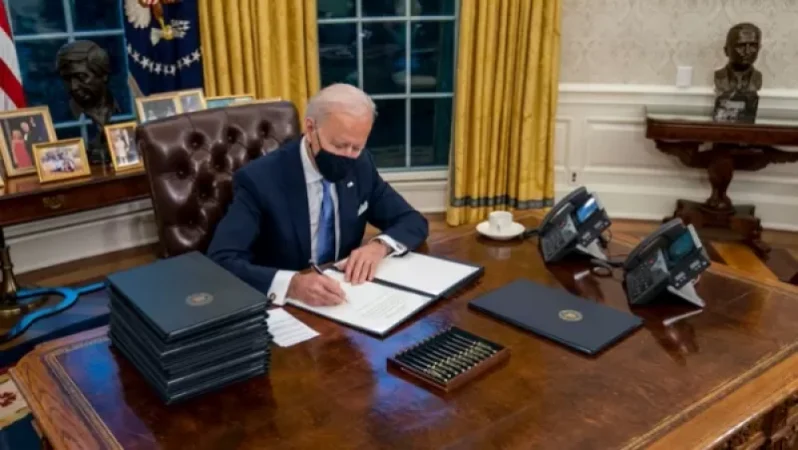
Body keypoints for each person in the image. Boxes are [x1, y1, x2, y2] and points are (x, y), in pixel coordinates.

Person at [207, 83, 429, 307]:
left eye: (357, 147)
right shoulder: (259, 180)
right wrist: (292, 284)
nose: (349, 157)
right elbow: (221, 261)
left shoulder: (362, 166)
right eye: (340, 145)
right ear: (311, 128)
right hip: (287, 307)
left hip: (346, 296)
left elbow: (412, 220)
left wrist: (379, 246)